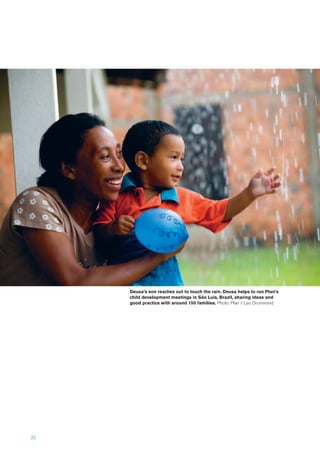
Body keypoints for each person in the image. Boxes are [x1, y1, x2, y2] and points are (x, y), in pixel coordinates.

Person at [0, 114, 184, 286]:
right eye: (105, 156)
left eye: (118, 155)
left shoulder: (104, 223)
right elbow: (74, 282)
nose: (119, 166)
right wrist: (159, 255)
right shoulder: (37, 202)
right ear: (69, 169)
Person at [93, 120, 281, 286]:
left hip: (167, 285)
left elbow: (219, 210)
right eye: (173, 157)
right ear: (143, 160)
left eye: (181, 159)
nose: (181, 166)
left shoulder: (180, 198)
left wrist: (249, 194)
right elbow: (98, 233)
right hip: (122, 283)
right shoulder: (116, 197)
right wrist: (113, 228)